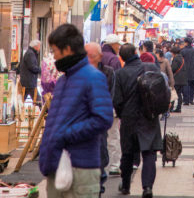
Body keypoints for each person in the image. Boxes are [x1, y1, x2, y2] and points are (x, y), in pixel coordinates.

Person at [39, 24, 113, 198]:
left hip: (80, 167)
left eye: (55, 50)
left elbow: (103, 119)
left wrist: (65, 135)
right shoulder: (64, 80)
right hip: (57, 164)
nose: (54, 56)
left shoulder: (93, 77)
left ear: (68, 49)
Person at [113, 43, 162, 198]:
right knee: (148, 154)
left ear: (121, 57)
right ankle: (147, 187)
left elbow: (117, 100)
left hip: (129, 118)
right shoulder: (151, 68)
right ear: (136, 52)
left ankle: (126, 185)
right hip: (149, 117)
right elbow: (162, 90)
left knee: (127, 153)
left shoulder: (120, 74)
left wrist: (122, 115)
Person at [85, 42, 116, 193]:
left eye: (92, 56)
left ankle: (98, 186)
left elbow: (109, 97)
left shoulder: (108, 73)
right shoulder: (77, 74)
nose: (88, 59)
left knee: (100, 153)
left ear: (100, 56)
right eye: (86, 56)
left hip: (98, 122)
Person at [181, 36, 194, 105]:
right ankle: (191, 100)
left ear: (186, 43)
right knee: (192, 86)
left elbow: (181, 62)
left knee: (186, 85)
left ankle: (186, 100)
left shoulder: (182, 51)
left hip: (185, 70)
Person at [171, 46, 187, 113]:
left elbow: (173, 68)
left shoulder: (176, 59)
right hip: (182, 79)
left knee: (174, 93)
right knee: (179, 93)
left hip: (177, 79)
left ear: (173, 52)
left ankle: (171, 107)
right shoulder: (181, 58)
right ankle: (179, 107)